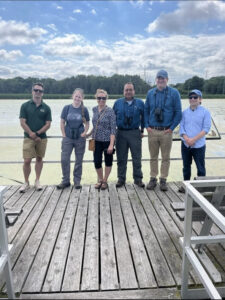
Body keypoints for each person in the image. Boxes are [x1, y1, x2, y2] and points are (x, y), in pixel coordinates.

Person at [144, 70, 182, 191]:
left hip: (166, 131)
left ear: (167, 79)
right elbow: (145, 111)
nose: (161, 80)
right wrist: (146, 126)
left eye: (163, 78)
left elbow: (178, 113)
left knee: (166, 157)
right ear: (156, 79)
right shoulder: (150, 93)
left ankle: (163, 180)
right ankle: (153, 178)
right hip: (152, 130)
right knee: (153, 157)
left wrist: (171, 128)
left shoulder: (174, 93)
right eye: (159, 78)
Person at [19, 82, 52, 192]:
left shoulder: (46, 108)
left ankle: (37, 181)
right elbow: (23, 122)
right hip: (28, 137)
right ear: (32, 91)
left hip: (41, 138)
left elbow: (48, 124)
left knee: (39, 158)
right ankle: (26, 182)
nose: (38, 92)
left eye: (40, 91)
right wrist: (32, 134)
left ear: (43, 93)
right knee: (27, 160)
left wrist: (37, 134)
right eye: (36, 90)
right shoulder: (25, 106)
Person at [178, 89, 211, 193]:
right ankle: (185, 186)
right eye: (190, 97)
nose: (192, 99)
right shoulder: (184, 112)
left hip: (199, 145)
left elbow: (206, 129)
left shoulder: (205, 112)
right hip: (185, 144)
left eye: (195, 97)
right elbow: (181, 127)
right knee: (186, 167)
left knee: (200, 168)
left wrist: (193, 140)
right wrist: (187, 139)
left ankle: (200, 189)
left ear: (200, 99)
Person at [113, 82, 145, 188]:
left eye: (130, 90)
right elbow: (113, 120)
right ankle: (121, 179)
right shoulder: (117, 103)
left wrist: (142, 130)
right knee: (121, 158)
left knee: (137, 157)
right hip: (120, 133)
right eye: (126, 90)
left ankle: (138, 179)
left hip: (135, 132)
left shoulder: (140, 103)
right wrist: (113, 134)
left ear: (134, 91)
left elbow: (144, 118)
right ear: (123, 91)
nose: (128, 92)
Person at [57, 88, 89, 190]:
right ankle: (65, 181)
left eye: (79, 96)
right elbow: (62, 122)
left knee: (78, 160)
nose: (77, 98)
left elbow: (87, 123)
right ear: (73, 96)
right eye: (76, 96)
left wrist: (85, 132)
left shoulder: (84, 109)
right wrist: (63, 134)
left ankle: (77, 182)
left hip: (80, 138)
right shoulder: (66, 108)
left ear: (82, 98)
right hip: (68, 138)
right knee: (64, 159)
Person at [87, 89, 116, 190]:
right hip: (96, 140)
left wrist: (111, 144)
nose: (101, 100)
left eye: (103, 98)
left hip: (107, 140)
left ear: (106, 99)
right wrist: (88, 134)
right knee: (97, 161)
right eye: (99, 98)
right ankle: (100, 179)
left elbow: (113, 129)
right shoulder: (94, 109)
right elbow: (95, 125)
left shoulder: (110, 111)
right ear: (96, 98)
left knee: (108, 161)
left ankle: (105, 181)